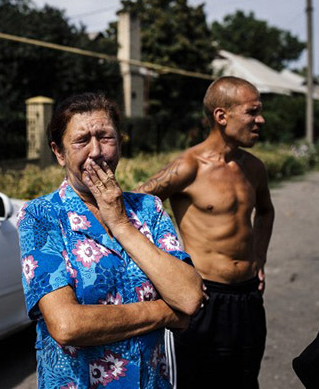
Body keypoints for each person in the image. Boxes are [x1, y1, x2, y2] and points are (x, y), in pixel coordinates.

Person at [18, 92, 203, 388]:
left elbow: (190, 296)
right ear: (59, 152)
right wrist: (164, 312)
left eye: (105, 137)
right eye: (81, 141)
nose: (96, 152)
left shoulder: (148, 209)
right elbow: (66, 325)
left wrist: (120, 223)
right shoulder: (41, 216)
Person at [134, 76, 275, 389]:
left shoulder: (253, 168)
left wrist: (260, 258)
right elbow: (134, 209)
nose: (260, 120)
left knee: (245, 380)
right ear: (221, 116)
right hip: (204, 299)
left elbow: (266, 211)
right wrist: (169, 269)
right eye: (252, 112)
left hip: (248, 297)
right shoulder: (189, 166)